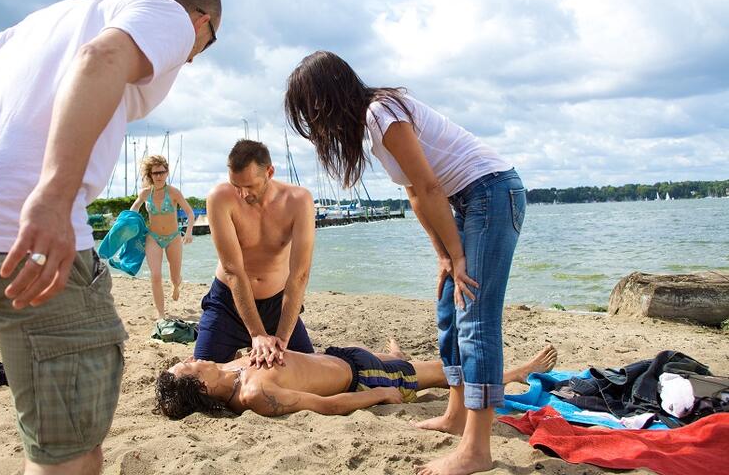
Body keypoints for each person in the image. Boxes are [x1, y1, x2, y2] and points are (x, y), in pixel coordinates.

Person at [0, 0, 221, 474]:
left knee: (46, 395)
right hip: (8, 223)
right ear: (202, 20)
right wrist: (52, 195)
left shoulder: (49, 20)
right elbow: (100, 58)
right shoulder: (170, 15)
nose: (196, 55)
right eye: (208, 42)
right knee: (72, 447)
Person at [284, 51, 526, 475]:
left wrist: (458, 254)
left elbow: (432, 187)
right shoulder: (373, 125)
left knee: (477, 317)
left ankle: (477, 448)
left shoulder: (382, 112)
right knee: (450, 310)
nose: (315, 123)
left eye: (312, 110)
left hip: (491, 192)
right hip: (468, 202)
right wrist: (442, 255)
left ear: (328, 96)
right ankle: (455, 416)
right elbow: (415, 193)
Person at [157, 341, 557, 418]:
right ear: (202, 387)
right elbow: (326, 405)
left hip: (341, 356)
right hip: (363, 377)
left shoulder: (229, 368)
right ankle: (514, 373)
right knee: (439, 373)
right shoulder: (256, 395)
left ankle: (396, 356)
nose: (194, 358)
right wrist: (379, 396)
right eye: (189, 366)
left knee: (406, 361)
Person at [194, 139, 316, 367]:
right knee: (202, 378)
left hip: (277, 306)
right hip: (228, 302)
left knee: (310, 369)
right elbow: (232, 270)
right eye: (236, 185)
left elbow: (299, 275)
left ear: (269, 172)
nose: (242, 193)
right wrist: (257, 335)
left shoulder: (299, 200)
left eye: (250, 186)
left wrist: (281, 339)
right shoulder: (219, 198)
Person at [130, 155, 194, 318]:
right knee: (156, 275)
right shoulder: (145, 193)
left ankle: (175, 285)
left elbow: (189, 213)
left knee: (174, 276)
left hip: (173, 238)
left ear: (167, 173)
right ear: (150, 175)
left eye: (162, 172)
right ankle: (161, 314)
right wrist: (128, 224)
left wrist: (188, 232)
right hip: (153, 238)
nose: (158, 176)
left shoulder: (173, 192)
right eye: (155, 173)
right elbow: (134, 209)